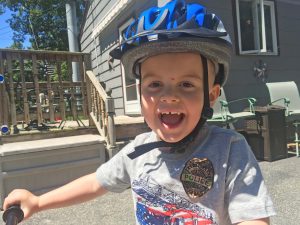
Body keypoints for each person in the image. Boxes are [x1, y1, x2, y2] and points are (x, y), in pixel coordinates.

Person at [3, 1, 276, 224]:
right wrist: (38, 202)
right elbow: (96, 182)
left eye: (187, 84)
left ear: (212, 95)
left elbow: (252, 216)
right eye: (155, 84)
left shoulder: (229, 149)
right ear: (140, 93)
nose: (169, 95)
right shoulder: (138, 151)